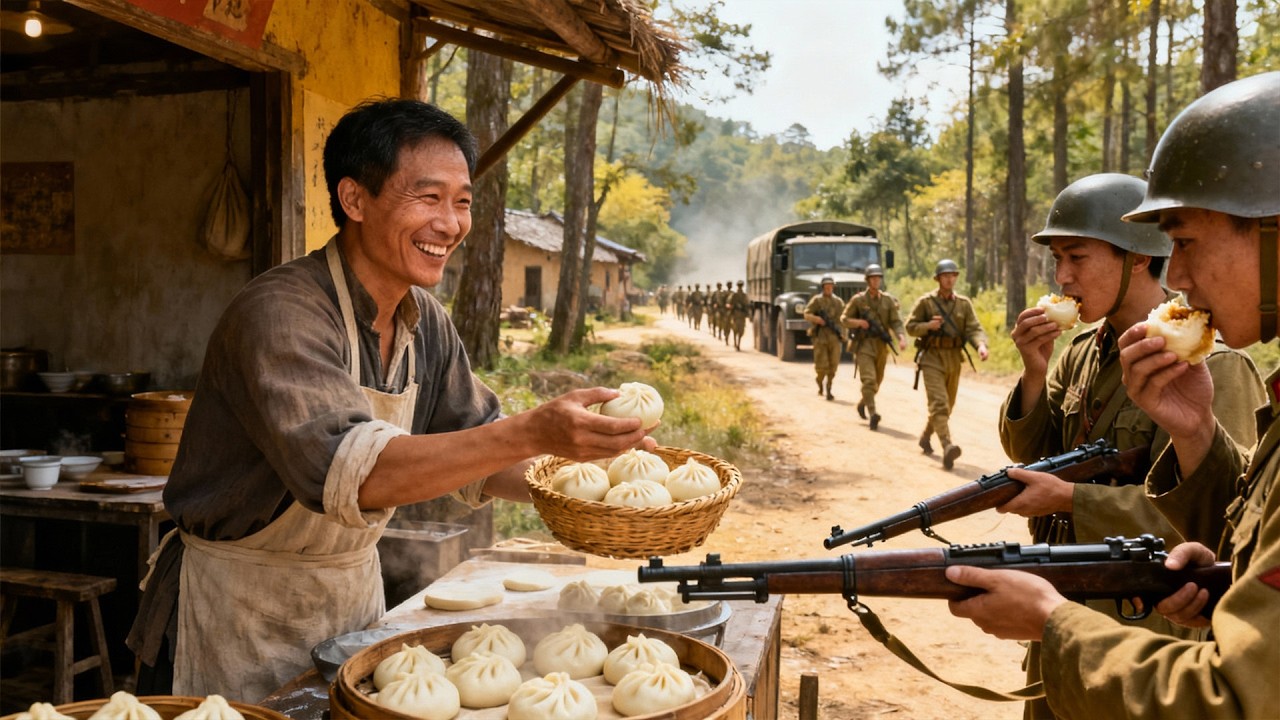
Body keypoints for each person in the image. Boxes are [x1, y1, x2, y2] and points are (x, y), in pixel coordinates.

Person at [125, 99, 655, 700]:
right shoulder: (280, 315)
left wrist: (590, 471)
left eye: (462, 202)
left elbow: (483, 450)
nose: (451, 224)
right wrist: (534, 432)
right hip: (235, 615)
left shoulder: (421, 319)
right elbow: (351, 475)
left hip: (351, 604)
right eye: (428, 198)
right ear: (354, 200)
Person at [947, 72, 1280, 719]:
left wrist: (1053, 622)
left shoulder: (1227, 363)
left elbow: (1238, 697)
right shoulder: (1087, 354)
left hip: (1134, 651)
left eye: (1183, 242)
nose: (1174, 274)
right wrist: (1196, 439)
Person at [996, 172, 1264, 719]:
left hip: (1143, 627)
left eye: (1078, 257)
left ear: (1138, 258)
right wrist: (1033, 370)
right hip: (1065, 601)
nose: (1063, 277)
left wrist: (1071, 501)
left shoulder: (1210, 363)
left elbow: (1222, 524)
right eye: (1056, 261)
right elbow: (1033, 460)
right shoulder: (1080, 355)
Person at [906, 259, 989, 469]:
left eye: (953, 275)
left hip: (954, 358)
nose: (949, 279)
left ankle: (926, 437)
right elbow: (911, 327)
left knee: (947, 406)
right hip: (932, 357)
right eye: (945, 276)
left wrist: (980, 345)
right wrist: (928, 325)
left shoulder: (963, 304)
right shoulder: (926, 303)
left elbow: (974, 328)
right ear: (938, 279)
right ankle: (947, 445)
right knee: (939, 404)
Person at [840, 264, 906, 430]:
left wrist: (901, 337)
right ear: (868, 280)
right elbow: (844, 319)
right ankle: (873, 413)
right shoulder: (859, 300)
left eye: (878, 278)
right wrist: (859, 322)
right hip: (864, 345)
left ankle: (863, 403)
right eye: (873, 278)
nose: (876, 280)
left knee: (876, 383)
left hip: (881, 346)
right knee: (869, 380)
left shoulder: (888, 300)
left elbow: (895, 322)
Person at [804, 276, 845, 400]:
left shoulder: (838, 302)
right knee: (821, 366)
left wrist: (843, 333)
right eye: (826, 286)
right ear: (823, 287)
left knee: (833, 364)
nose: (828, 288)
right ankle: (820, 382)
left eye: (830, 286)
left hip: (834, 338)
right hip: (820, 337)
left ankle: (829, 387)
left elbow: (843, 319)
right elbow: (806, 313)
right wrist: (817, 320)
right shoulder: (817, 300)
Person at [728, 280, 750, 351]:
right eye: (739, 286)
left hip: (740, 315)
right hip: (736, 315)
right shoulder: (735, 295)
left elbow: (746, 305)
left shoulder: (743, 295)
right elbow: (730, 304)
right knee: (736, 330)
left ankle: (738, 344)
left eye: (741, 286)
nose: (740, 287)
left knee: (740, 331)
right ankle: (736, 344)